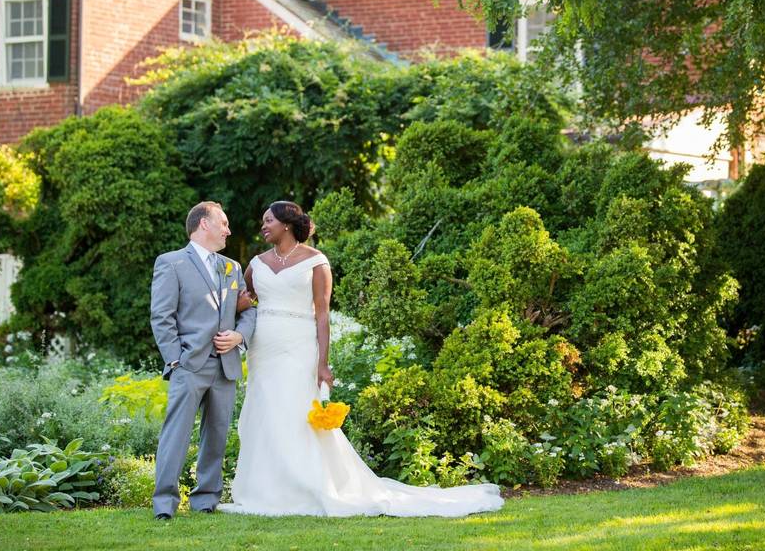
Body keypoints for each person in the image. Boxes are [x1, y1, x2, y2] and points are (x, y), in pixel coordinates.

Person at [219, 200, 503, 517]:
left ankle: (308, 485)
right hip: (264, 350)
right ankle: (265, 489)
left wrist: (323, 364)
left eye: (268, 220)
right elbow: (244, 300)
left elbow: (323, 316)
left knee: (297, 414)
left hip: (299, 346)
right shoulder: (256, 264)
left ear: (286, 224)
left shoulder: (316, 262)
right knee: (265, 411)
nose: (263, 226)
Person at [150, 202, 257, 519]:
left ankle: (206, 501)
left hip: (225, 366)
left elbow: (249, 310)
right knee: (176, 436)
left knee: (217, 435)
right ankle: (164, 505)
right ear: (203, 225)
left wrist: (239, 337)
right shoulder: (171, 263)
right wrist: (175, 360)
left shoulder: (232, 267)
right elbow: (161, 317)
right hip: (189, 365)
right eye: (223, 223)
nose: (228, 229)